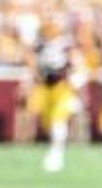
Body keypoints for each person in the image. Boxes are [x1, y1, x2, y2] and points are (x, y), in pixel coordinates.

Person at [30, 42, 81, 172]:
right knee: (50, 125)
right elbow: (38, 77)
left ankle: (57, 153)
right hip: (48, 94)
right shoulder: (42, 65)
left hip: (62, 94)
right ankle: (56, 151)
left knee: (58, 123)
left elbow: (73, 77)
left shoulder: (66, 66)